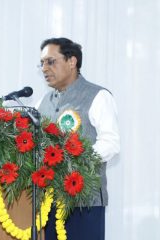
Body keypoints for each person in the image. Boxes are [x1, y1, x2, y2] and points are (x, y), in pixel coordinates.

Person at [37, 37, 120, 240]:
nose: (44, 68)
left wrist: (74, 159)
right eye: (42, 63)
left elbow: (111, 143)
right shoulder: (43, 102)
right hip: (49, 201)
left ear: (72, 61)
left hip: (85, 203)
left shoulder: (98, 96)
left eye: (51, 61)